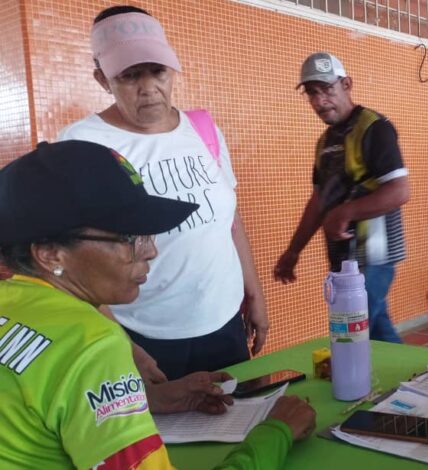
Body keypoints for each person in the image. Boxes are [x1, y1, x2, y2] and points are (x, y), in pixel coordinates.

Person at [0, 140, 316, 469]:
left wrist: (149, 398)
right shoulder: (92, 345)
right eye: (129, 238)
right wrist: (276, 432)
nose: (150, 251)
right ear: (51, 254)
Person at [58, 5, 269, 381]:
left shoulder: (202, 128)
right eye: (129, 75)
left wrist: (254, 293)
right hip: (145, 337)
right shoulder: (83, 143)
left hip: (224, 323)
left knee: (240, 413)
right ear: (102, 78)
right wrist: (122, 345)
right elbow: (72, 261)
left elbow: (229, 219)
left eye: (158, 71)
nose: (149, 88)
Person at [273, 52, 410, 343]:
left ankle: (351, 372)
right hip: (343, 258)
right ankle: (407, 369)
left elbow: (399, 191)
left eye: (326, 89)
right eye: (312, 93)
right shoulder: (325, 142)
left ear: (346, 84)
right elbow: (319, 201)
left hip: (375, 256)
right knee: (377, 330)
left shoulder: (374, 128)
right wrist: (293, 251)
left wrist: (345, 212)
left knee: (351, 329)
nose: (319, 101)